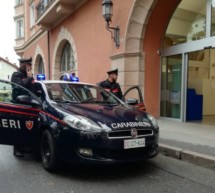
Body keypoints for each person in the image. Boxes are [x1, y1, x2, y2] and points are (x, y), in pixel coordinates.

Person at [11, 57, 34, 157]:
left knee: (27, 128)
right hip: (19, 105)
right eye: (28, 65)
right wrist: (29, 77)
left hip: (29, 105)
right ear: (23, 65)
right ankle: (17, 148)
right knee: (19, 127)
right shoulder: (16, 75)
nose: (30, 67)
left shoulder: (28, 76)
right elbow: (19, 86)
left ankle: (26, 146)